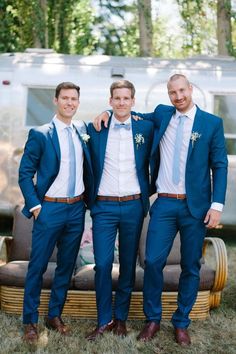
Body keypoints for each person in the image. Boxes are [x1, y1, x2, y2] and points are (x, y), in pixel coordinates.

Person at [93, 74, 228, 346]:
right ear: (168, 95)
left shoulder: (211, 123)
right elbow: (126, 111)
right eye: (172, 93)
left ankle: (181, 322)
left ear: (190, 90)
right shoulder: (161, 114)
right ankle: (152, 319)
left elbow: (220, 165)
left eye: (181, 91)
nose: (178, 97)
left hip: (195, 206)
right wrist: (107, 112)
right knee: (153, 261)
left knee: (191, 266)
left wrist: (216, 205)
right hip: (164, 202)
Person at [18, 82, 93, 344]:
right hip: (49, 208)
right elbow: (25, 174)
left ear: (78, 102)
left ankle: (54, 315)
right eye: (65, 98)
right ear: (56, 100)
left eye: (74, 99)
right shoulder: (40, 134)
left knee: (66, 266)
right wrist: (36, 206)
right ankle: (29, 321)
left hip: (76, 209)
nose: (69, 103)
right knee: (37, 267)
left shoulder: (82, 130)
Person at [86, 80, 154, 341]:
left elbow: (166, 112)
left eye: (127, 98)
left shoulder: (145, 127)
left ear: (133, 101)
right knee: (102, 264)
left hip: (133, 205)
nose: (122, 102)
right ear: (110, 100)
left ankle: (121, 319)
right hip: (103, 206)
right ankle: (104, 319)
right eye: (117, 98)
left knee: (127, 264)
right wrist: (104, 112)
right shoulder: (96, 129)